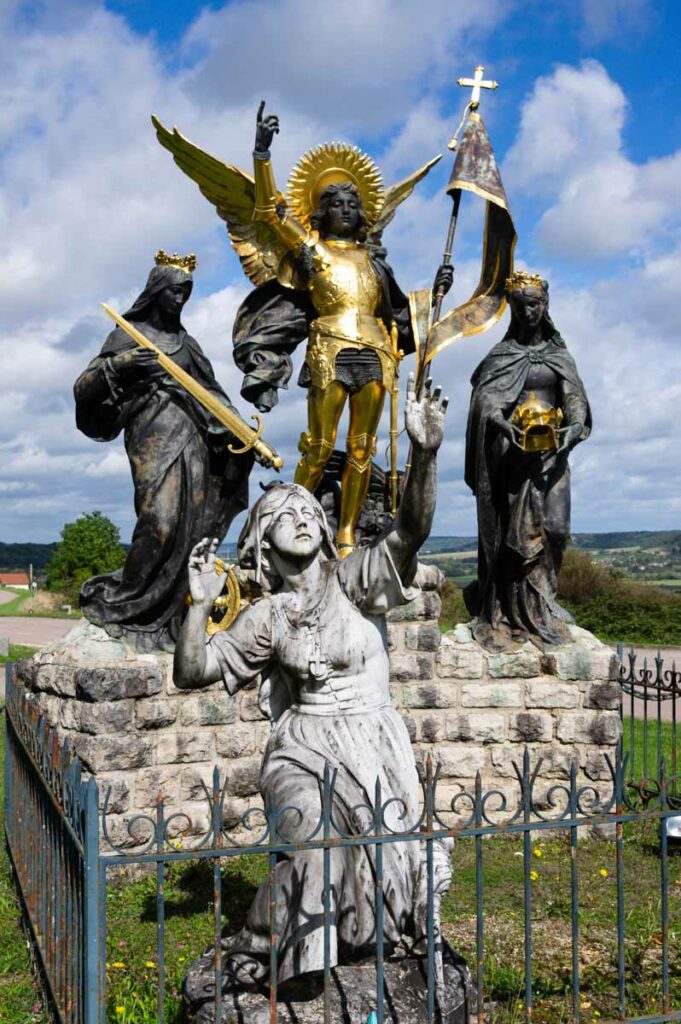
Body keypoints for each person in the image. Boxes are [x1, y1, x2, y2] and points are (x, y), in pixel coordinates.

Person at [175, 374, 449, 992]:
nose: (300, 516)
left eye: (308, 511)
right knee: (311, 841)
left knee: (390, 883)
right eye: (282, 513)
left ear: (325, 531)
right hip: (302, 749)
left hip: (372, 741)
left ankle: (349, 948)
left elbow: (410, 532)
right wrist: (196, 607)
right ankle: (273, 956)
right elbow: (193, 672)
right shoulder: (269, 616)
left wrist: (425, 453)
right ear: (262, 541)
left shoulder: (353, 581)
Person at [232, 102, 452, 555]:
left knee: (362, 449)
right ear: (321, 211)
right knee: (317, 446)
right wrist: (261, 154)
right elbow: (270, 210)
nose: (348, 210)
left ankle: (349, 533)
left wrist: (434, 291)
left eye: (354, 204)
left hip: (373, 354)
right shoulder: (311, 249)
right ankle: (292, 522)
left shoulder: (373, 261)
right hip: (329, 350)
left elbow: (397, 313)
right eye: (338, 204)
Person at [74, 251, 253, 652]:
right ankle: (131, 602)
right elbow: (83, 387)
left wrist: (240, 434)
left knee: (190, 528)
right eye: (175, 291)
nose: (181, 300)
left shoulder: (186, 345)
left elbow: (213, 396)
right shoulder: (128, 335)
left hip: (194, 442)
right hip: (152, 438)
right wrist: (120, 366)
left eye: (187, 293)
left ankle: (172, 612)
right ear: (156, 292)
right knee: (160, 520)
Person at [464, 270, 591, 650]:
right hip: (514, 457)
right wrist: (503, 425)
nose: (529, 311)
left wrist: (575, 425)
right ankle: (512, 608)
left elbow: (574, 399)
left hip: (553, 457)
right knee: (517, 538)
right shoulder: (501, 357)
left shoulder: (559, 356)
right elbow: (486, 401)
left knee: (555, 529)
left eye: (535, 304)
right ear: (513, 310)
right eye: (521, 306)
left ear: (545, 305)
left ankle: (545, 600)